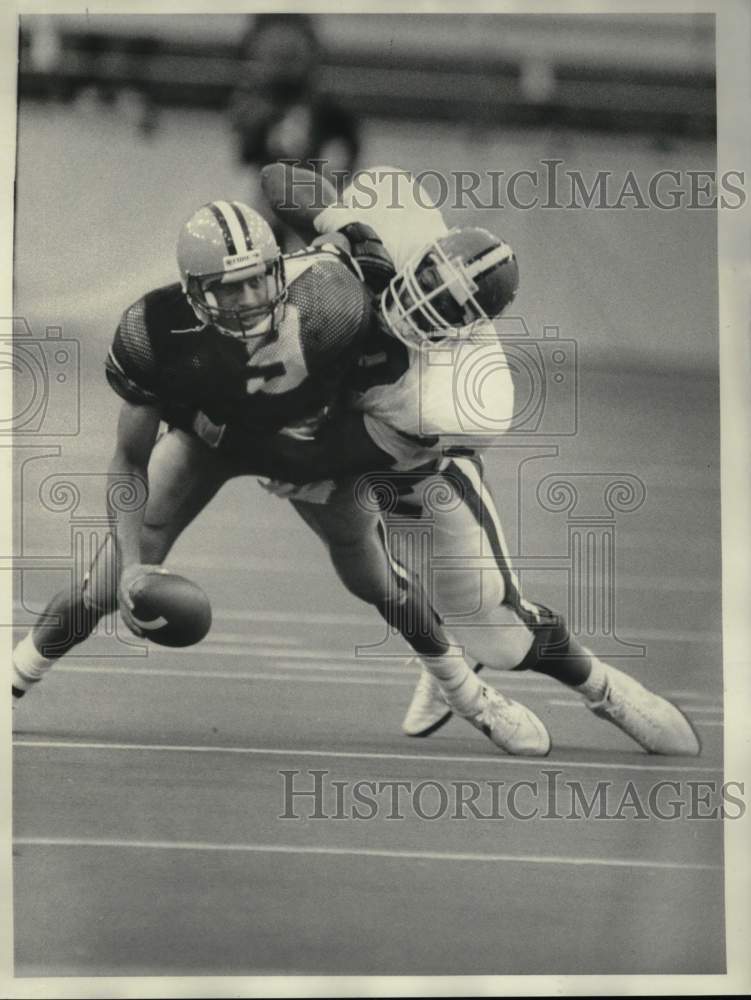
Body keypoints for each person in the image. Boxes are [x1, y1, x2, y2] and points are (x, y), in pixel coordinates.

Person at [11, 197, 550, 757]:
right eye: (227, 287)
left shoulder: (330, 301)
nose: (247, 300)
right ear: (194, 291)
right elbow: (129, 458)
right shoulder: (152, 331)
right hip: (210, 443)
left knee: (370, 574)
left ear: (278, 270)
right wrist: (130, 564)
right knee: (106, 581)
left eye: (256, 281)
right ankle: (14, 678)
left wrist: (325, 461)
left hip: (304, 443)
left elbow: (372, 388)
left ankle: (467, 695)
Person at [248, 162, 700, 756]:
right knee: (378, 579)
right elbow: (280, 176)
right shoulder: (395, 217)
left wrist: (264, 431)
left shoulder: (466, 397)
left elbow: (334, 456)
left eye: (429, 320)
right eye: (410, 292)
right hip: (347, 430)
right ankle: (448, 663)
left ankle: (606, 689)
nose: (400, 317)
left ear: (466, 331)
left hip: (413, 477)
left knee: (501, 636)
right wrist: (348, 227)